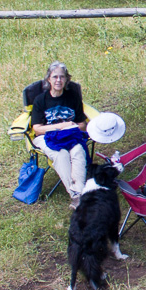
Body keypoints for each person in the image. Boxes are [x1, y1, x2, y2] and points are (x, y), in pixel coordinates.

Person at [30, 61, 90, 208]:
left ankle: (78, 194)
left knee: (77, 151)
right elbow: (37, 128)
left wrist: (72, 127)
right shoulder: (40, 100)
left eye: (62, 77)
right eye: (55, 77)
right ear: (48, 79)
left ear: (66, 79)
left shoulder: (72, 97)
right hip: (45, 137)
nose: (58, 80)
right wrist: (62, 126)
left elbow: (82, 124)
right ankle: (76, 195)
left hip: (70, 136)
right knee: (61, 154)